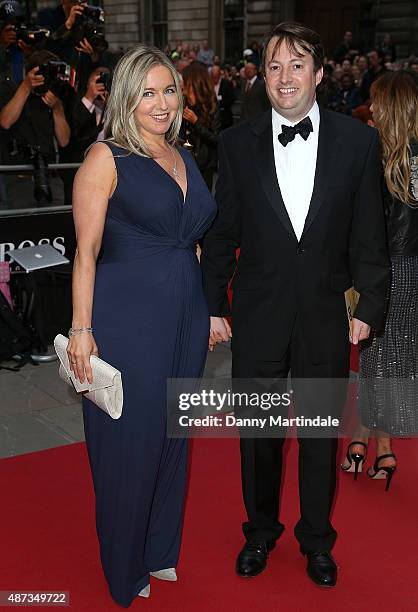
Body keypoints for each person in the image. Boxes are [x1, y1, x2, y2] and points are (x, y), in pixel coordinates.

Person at [201, 21, 389, 588]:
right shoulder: (237, 143)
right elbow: (222, 230)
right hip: (257, 312)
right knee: (257, 433)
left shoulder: (359, 142)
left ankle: (316, 539)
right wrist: (213, 303)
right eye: (275, 65)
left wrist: (368, 307)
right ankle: (259, 531)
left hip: (325, 312)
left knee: (317, 431)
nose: (285, 77)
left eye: (298, 64)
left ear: (320, 74)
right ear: (263, 75)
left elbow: (369, 235)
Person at [68, 45, 216, 607]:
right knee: (130, 441)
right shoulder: (106, 157)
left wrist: (209, 310)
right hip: (127, 316)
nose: (161, 103)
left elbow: (193, 238)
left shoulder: (183, 156)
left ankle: (159, 549)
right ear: (127, 95)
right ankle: (124, 565)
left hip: (184, 313)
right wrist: (82, 332)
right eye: (148, 92)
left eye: (169, 90)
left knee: (174, 435)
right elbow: (85, 254)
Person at [342, 70, 418, 490]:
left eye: (375, 100)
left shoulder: (378, 155)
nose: (370, 107)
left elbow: (365, 224)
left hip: (381, 270)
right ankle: (375, 445)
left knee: (376, 359)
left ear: (389, 105)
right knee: (386, 362)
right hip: (412, 270)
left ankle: (369, 444)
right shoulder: (412, 156)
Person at [181, 60, 220, 191]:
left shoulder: (211, 106)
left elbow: (216, 139)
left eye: (185, 82)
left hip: (204, 166)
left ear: (193, 83)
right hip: (185, 163)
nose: (183, 85)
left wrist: (195, 122)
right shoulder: (183, 103)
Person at [210, 64, 234, 130]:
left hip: (224, 117)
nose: (214, 79)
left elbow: (231, 99)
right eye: (213, 77)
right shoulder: (208, 84)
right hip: (212, 118)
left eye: (216, 77)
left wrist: (218, 103)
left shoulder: (227, 84)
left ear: (220, 75)